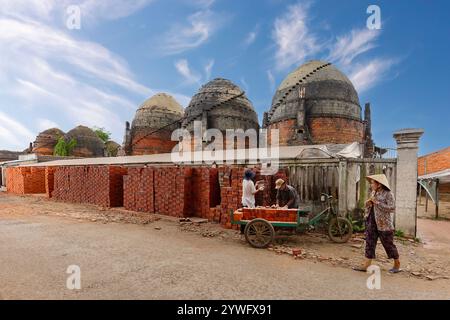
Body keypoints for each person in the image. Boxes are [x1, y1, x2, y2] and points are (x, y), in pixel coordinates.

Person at [354, 174, 401, 273]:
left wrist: (377, 203)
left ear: (379, 184)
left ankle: (397, 264)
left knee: (388, 244)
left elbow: (392, 208)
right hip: (372, 221)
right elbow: (370, 206)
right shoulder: (374, 192)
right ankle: (366, 265)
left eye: (372, 183)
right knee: (369, 242)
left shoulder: (388, 194)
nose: (371, 185)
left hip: (384, 224)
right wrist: (368, 203)